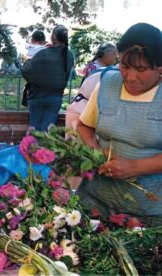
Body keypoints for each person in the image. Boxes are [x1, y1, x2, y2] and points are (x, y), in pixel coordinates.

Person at [76, 22, 162, 226]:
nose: (130, 77)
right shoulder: (107, 84)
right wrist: (97, 151)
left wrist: (135, 167)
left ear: (160, 68)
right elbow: (84, 126)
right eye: (124, 65)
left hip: (150, 211)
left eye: (141, 69)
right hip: (97, 199)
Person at [21, 25, 74, 131]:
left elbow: (26, 71)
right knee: (47, 133)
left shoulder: (43, 53)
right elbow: (66, 75)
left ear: (52, 38)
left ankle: (30, 147)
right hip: (55, 97)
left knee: (34, 130)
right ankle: (44, 148)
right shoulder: (69, 55)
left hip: (36, 96)